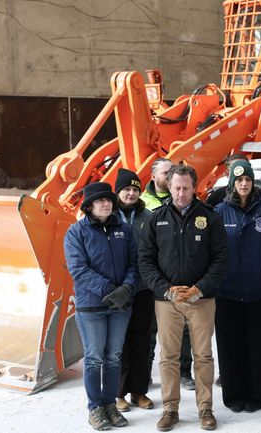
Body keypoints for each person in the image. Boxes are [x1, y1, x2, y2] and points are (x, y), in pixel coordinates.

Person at [139, 164, 228, 431]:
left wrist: (200, 288)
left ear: (194, 187)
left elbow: (221, 259)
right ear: (169, 186)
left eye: (186, 188)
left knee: (203, 356)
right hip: (167, 301)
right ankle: (170, 408)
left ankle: (205, 409)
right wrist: (165, 289)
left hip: (201, 299)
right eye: (176, 187)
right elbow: (145, 261)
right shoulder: (156, 219)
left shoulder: (210, 218)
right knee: (168, 357)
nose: (180, 193)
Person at [64, 182, 138, 431]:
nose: (105, 203)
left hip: (121, 306)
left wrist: (127, 289)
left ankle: (110, 404)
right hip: (91, 307)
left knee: (113, 357)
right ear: (89, 206)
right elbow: (78, 270)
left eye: (108, 199)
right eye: (99, 201)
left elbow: (134, 264)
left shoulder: (124, 230)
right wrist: (110, 291)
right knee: (95, 358)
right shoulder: (76, 233)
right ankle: (95, 408)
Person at [213, 160, 261, 413]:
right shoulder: (219, 212)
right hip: (227, 292)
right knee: (230, 346)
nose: (243, 184)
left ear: (253, 183)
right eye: (239, 180)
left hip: (259, 292)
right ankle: (233, 394)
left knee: (258, 346)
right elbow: (213, 250)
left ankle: (257, 395)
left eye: (247, 180)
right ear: (232, 183)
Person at [141, 157, 196, 391]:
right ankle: (147, 372)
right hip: (154, 279)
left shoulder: (186, 201)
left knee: (184, 332)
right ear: (153, 177)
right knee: (151, 330)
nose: (169, 175)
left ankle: (184, 371)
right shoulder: (144, 204)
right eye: (165, 173)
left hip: (182, 279)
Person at [112, 169, 155, 413]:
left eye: (135, 189)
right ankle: (118, 393)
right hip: (119, 290)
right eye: (126, 189)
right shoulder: (109, 214)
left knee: (141, 340)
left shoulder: (147, 217)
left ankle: (139, 391)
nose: (131, 193)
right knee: (120, 341)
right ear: (118, 191)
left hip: (143, 289)